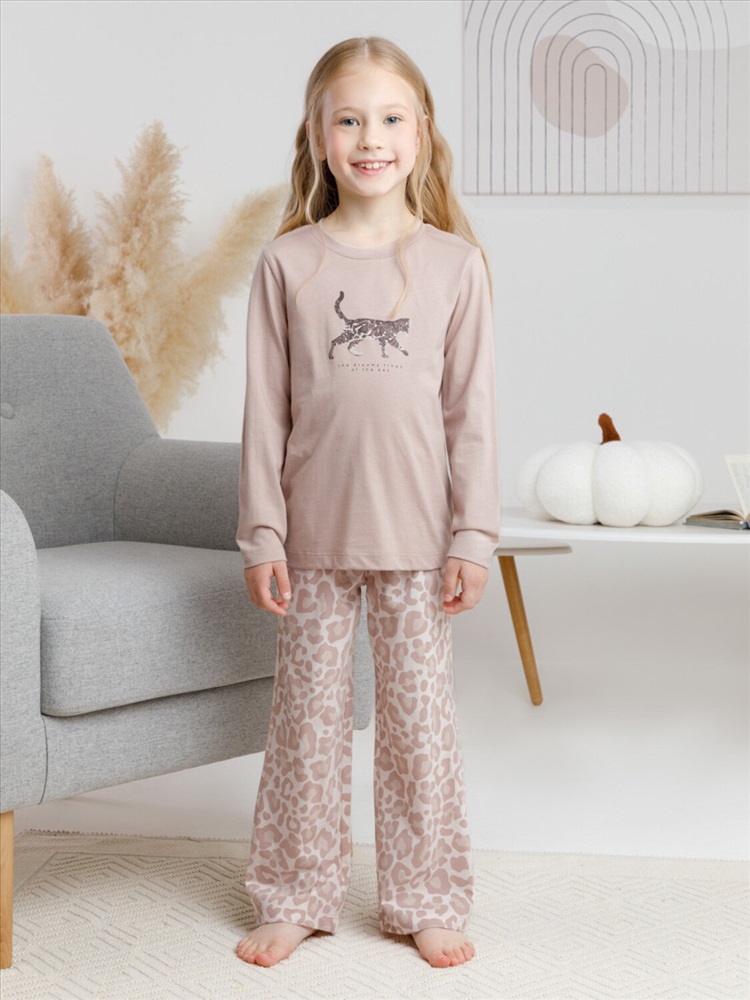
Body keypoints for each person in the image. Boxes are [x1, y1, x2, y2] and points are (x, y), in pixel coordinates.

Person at [235, 36, 500, 970]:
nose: (370, 138)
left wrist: (472, 535)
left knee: (420, 733)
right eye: (349, 120)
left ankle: (425, 897)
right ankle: (294, 895)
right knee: (305, 727)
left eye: (389, 119)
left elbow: (472, 416)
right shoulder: (288, 263)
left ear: (420, 133)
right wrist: (262, 533)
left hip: (421, 543)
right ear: (319, 135)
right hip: (311, 538)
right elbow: (265, 413)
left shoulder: (456, 265)